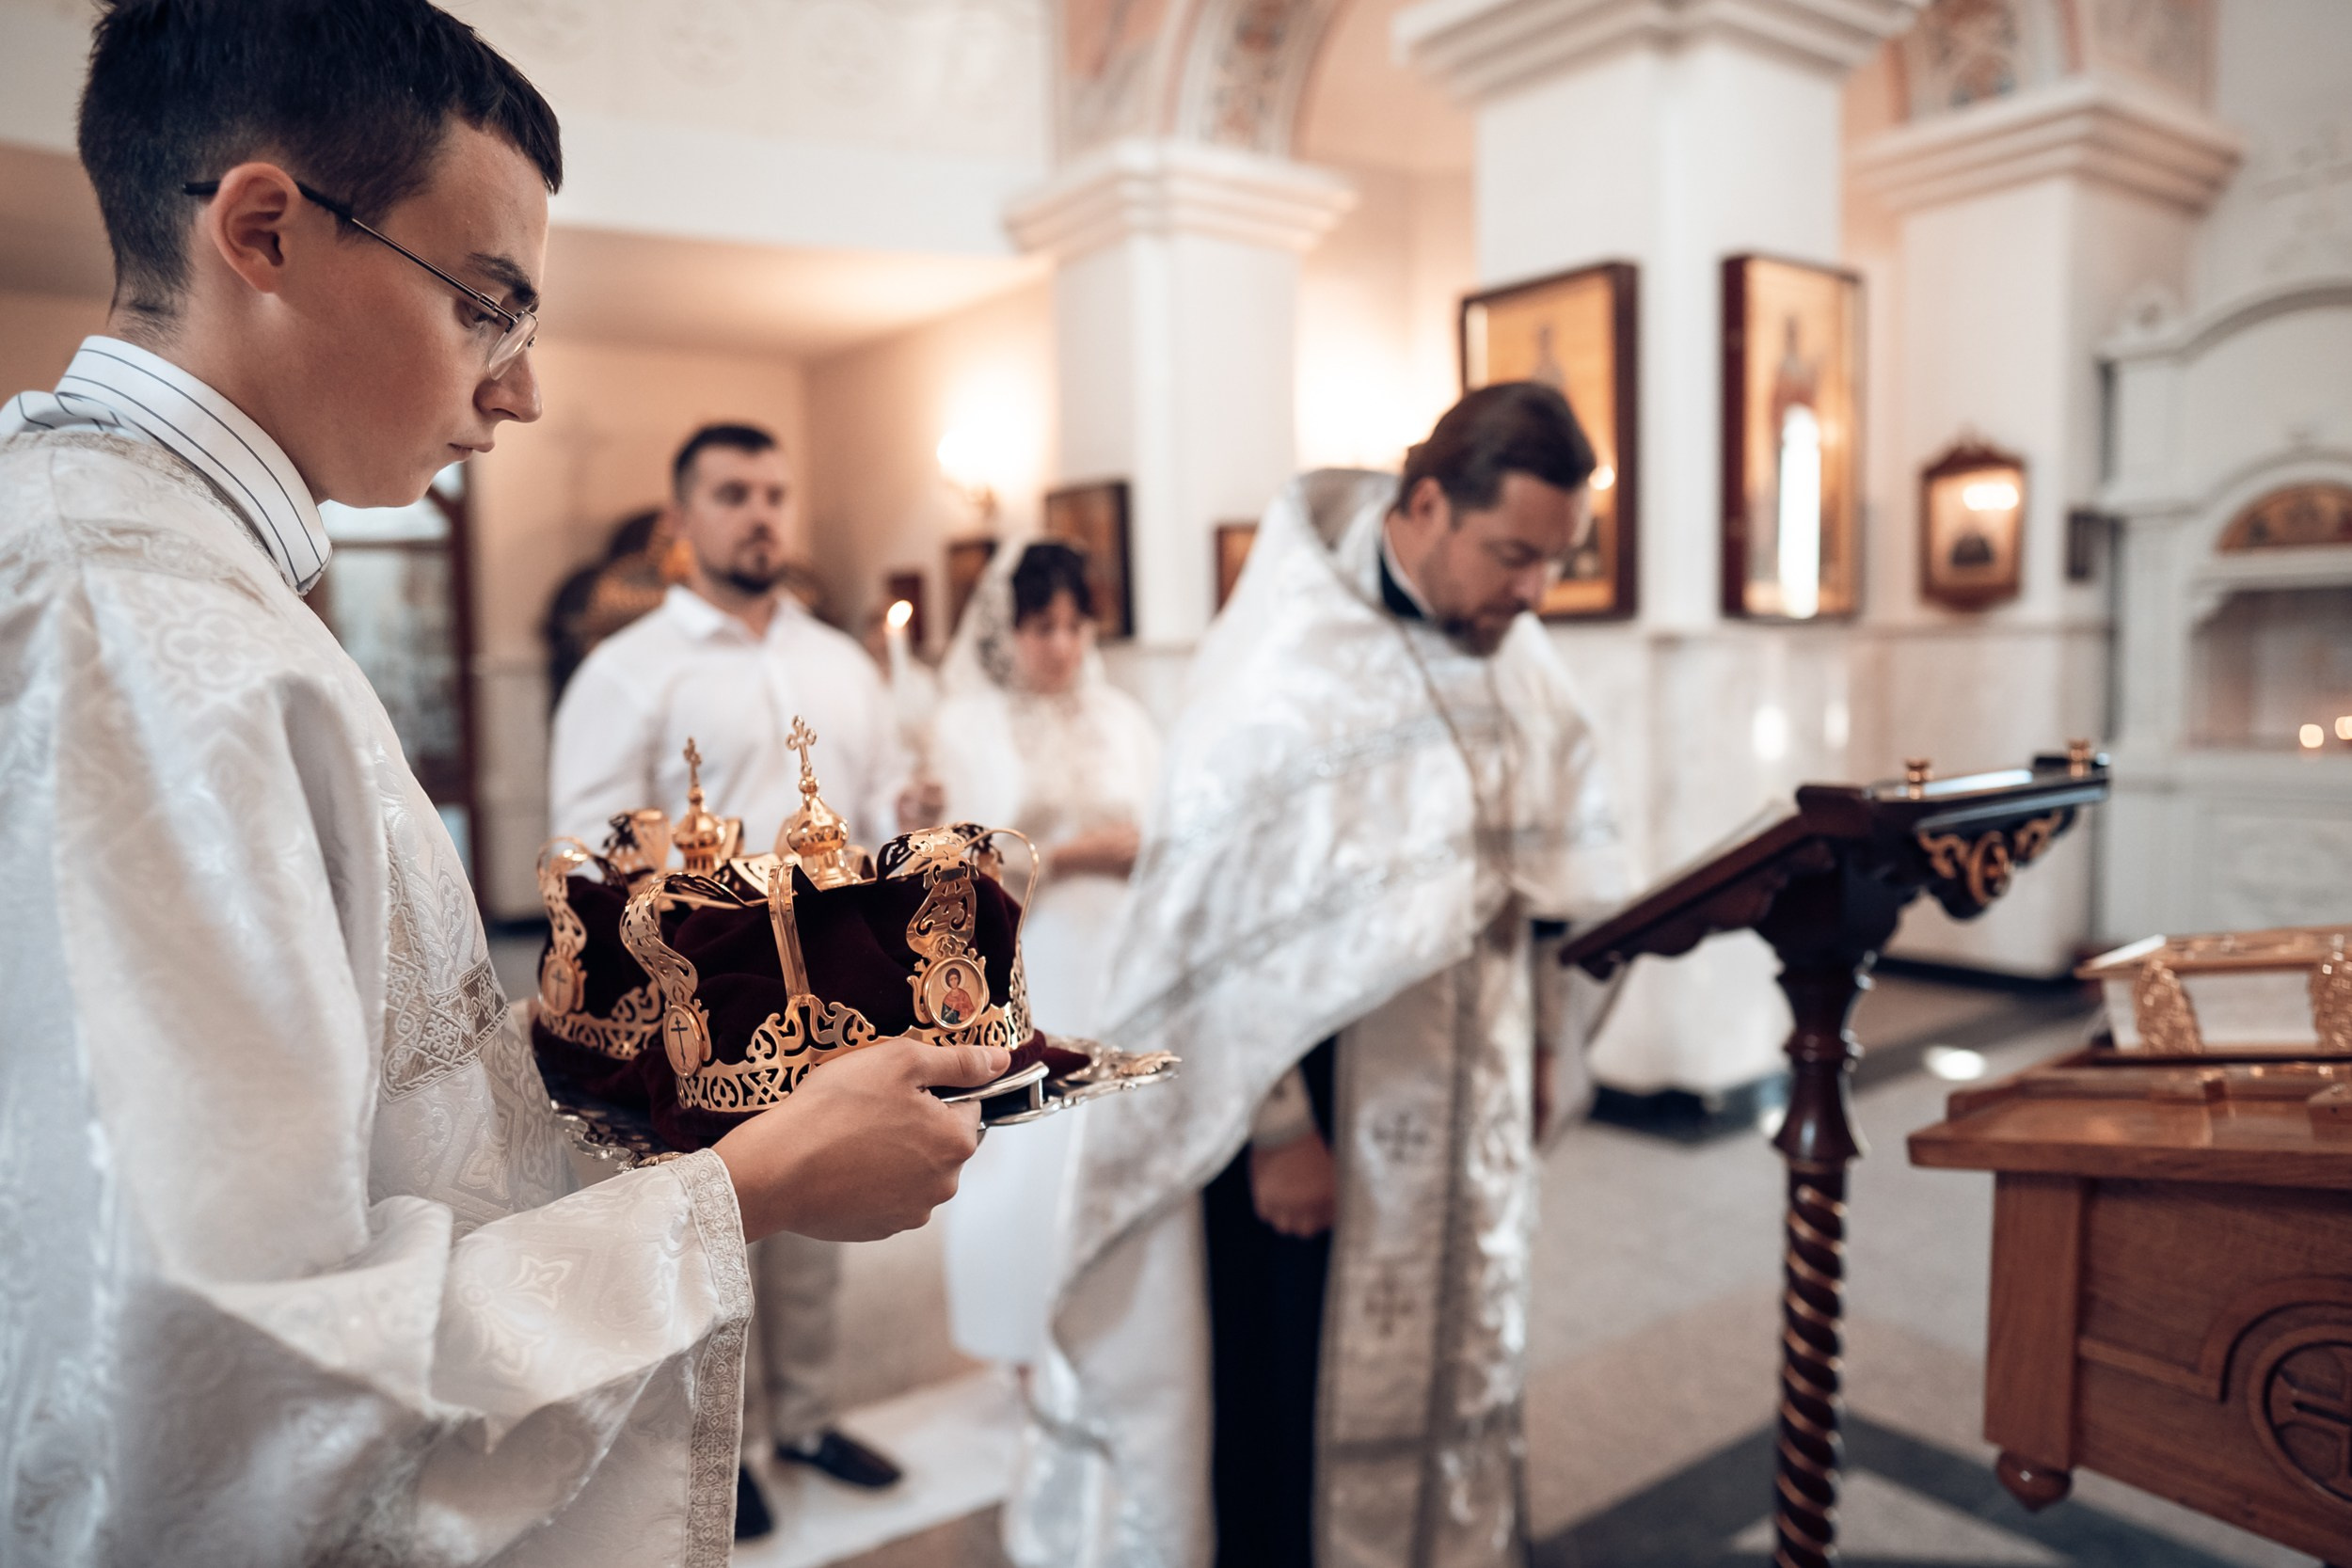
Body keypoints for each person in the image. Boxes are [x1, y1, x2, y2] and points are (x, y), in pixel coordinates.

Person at [0, 3, 1005, 1561]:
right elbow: (222, 1380)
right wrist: (742, 1190)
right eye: (487, 305)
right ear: (264, 231)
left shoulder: (178, 575)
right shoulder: (130, 627)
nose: (519, 391)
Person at [1010, 384, 1633, 1568]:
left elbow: (1554, 873)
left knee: (1463, 1354)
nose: (1535, 592)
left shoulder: (1513, 652)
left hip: (1476, 1088)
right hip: (1323, 1106)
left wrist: (1554, 1037)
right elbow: (1214, 938)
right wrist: (1279, 1129)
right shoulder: (1281, 667)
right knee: (1289, 1394)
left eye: (1556, 561)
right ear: (1428, 504)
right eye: (1514, 555)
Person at [548, 420, 942, 1514]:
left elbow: (874, 818)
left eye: (774, 493)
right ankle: (720, 1450)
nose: (761, 514)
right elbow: (587, 846)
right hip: (701, 993)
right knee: (713, 1217)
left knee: (823, 1204)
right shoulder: (628, 670)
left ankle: (806, 1418)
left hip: (835, 981)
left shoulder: (840, 662)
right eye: (733, 494)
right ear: (682, 521)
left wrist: (909, 814)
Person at [930, 541, 1162, 1370]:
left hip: (1123, 951)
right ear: (1008, 631)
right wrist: (1068, 854)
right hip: (1030, 959)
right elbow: (957, 867)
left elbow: (1170, 824)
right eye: (1041, 627)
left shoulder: (1123, 719)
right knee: (1032, 1146)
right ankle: (1024, 1342)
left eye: (1073, 625)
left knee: (1123, 1132)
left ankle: (1128, 1333)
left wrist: (1140, 849)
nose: (1061, 645)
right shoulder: (967, 727)